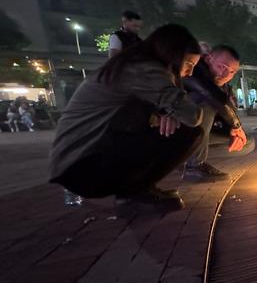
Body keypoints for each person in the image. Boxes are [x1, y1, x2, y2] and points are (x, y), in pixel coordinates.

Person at [50, 24, 204, 211]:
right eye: (189, 64)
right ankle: (133, 193)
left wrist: (165, 110)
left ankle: (135, 190)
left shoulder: (132, 65)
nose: (190, 73)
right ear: (173, 54)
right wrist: (171, 108)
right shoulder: (144, 70)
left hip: (79, 165)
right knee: (190, 133)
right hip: (83, 168)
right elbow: (192, 115)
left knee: (175, 129)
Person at [182, 44, 248, 180]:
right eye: (222, 67)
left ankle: (184, 158)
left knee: (245, 142)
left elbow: (226, 106)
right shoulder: (194, 70)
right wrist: (236, 125)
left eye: (231, 72)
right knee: (208, 101)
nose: (224, 74)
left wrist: (234, 130)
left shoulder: (223, 87)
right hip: (172, 128)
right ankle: (194, 165)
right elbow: (212, 96)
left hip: (196, 134)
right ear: (207, 59)